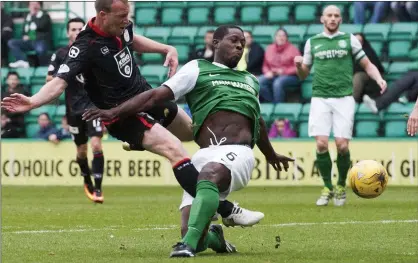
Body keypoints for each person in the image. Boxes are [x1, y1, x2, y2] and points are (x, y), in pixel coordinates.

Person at [2, 0, 263, 227]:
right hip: (122, 115)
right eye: (121, 16)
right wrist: (32, 102)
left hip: (145, 98)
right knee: (174, 149)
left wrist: (165, 48)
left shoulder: (120, 26)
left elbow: (132, 40)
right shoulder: (84, 46)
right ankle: (226, 210)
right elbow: (59, 83)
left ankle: (156, 152)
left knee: (195, 132)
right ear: (103, 16)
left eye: (128, 15)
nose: (127, 20)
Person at [82, 25, 294, 258]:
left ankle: (187, 247)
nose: (240, 45)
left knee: (209, 175)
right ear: (215, 43)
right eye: (234, 40)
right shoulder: (197, 69)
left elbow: (258, 121)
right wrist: (116, 113)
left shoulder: (251, 79)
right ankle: (213, 238)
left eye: (242, 42)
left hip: (238, 153)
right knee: (191, 229)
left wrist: (270, 154)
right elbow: (155, 96)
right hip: (205, 153)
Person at [294, 5, 387, 207]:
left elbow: (367, 64)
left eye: (336, 15)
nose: (333, 18)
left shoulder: (349, 39)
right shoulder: (313, 42)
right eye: (329, 15)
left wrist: (378, 79)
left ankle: (341, 186)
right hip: (320, 97)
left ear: (340, 20)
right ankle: (327, 187)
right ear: (322, 19)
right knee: (320, 144)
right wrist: (298, 65)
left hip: (344, 97)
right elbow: (303, 75)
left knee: (342, 145)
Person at [45, 17, 106, 203]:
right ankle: (86, 179)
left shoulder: (94, 51)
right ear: (67, 32)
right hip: (73, 110)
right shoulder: (61, 53)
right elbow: (49, 79)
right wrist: (64, 76)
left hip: (93, 106)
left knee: (96, 144)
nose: (77, 31)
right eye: (73, 29)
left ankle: (98, 189)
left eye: (80, 28)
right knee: (81, 151)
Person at [259, 28, 300, 103]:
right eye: (278, 36)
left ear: (286, 38)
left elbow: (298, 68)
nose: (281, 38)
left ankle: (278, 105)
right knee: (259, 81)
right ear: (275, 37)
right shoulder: (269, 48)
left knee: (278, 83)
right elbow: (265, 65)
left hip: (290, 76)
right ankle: (272, 103)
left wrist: (284, 71)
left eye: (283, 36)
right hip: (273, 74)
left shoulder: (293, 49)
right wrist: (267, 72)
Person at [8, 1, 52, 67]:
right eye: (32, 4)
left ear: (39, 6)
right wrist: (24, 36)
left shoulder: (45, 16)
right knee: (11, 42)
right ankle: (23, 61)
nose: (34, 6)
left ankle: (41, 66)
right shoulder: (27, 17)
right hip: (28, 42)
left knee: (40, 49)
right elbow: (24, 31)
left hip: (39, 41)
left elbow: (41, 26)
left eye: (36, 4)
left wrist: (33, 16)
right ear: (29, 7)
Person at [352, 33, 385, 103]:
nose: (357, 43)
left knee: (359, 76)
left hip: (371, 82)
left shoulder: (368, 52)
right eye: (355, 41)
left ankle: (351, 103)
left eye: (360, 41)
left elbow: (375, 69)